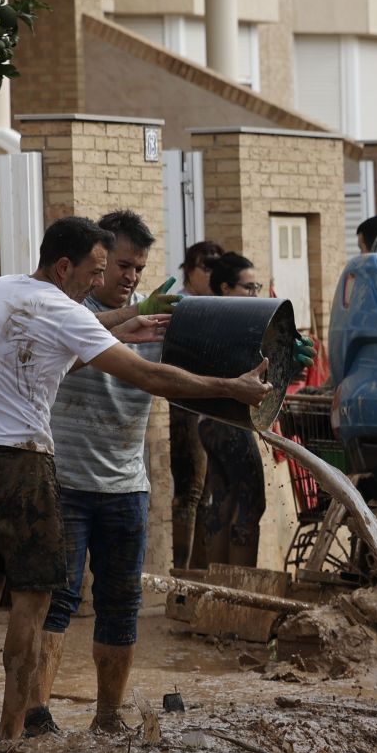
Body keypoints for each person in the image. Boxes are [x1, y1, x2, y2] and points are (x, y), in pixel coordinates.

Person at [0, 217, 272, 753]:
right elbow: (152, 378)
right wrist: (233, 386)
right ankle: (11, 734)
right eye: (95, 272)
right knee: (33, 603)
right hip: (24, 463)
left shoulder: (1, 289)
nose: (99, 281)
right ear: (65, 266)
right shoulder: (67, 312)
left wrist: (128, 316)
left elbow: (68, 325)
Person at [33, 210, 163, 734]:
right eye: (123, 265)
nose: (131, 277)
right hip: (63, 482)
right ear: (100, 261)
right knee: (54, 599)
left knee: (121, 602)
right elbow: (64, 352)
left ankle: (108, 716)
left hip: (127, 486)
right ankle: (34, 715)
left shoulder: (157, 322)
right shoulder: (67, 312)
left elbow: (205, 362)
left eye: (139, 268)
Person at [190, 251, 271, 569]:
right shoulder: (233, 320)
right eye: (247, 287)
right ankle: (241, 595)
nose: (254, 294)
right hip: (229, 423)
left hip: (210, 423)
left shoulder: (207, 315)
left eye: (256, 287)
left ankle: (220, 590)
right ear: (224, 288)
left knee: (222, 503)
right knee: (251, 504)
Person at [170, 240, 223, 567]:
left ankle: (200, 577)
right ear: (190, 270)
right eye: (206, 266)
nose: (212, 273)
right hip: (186, 408)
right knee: (191, 492)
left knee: (205, 496)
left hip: (207, 407)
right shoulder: (183, 305)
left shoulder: (214, 305)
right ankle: (182, 575)